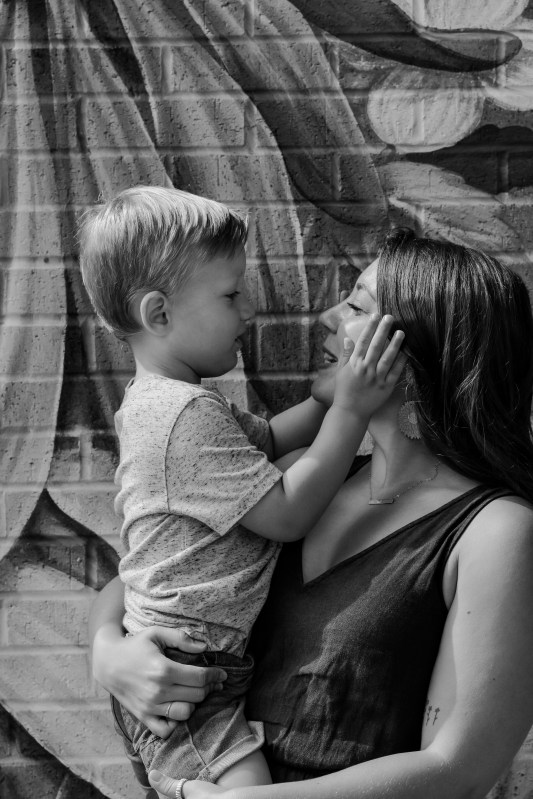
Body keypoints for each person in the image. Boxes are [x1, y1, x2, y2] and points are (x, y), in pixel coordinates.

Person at [89, 228, 533, 799]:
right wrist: (109, 651)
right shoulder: (304, 478)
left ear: (419, 350)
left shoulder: (497, 530)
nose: (325, 317)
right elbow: (150, 569)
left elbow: (459, 769)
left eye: (356, 307)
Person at [79, 186, 405, 795]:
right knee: (246, 791)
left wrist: (329, 398)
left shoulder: (178, 405)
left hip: (192, 667)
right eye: (231, 295)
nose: (249, 309)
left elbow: (270, 443)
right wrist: (351, 411)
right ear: (159, 314)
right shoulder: (180, 417)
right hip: (185, 674)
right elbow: (287, 513)